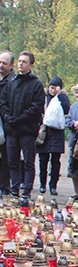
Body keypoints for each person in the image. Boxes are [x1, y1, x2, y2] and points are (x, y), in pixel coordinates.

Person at [0, 51, 45, 198]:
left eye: (24, 61)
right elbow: (3, 102)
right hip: (12, 129)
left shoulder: (36, 84)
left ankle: (26, 190)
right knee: (12, 161)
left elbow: (36, 107)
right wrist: (8, 117)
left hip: (27, 130)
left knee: (28, 162)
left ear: (31, 64)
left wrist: (18, 119)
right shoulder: (11, 83)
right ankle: (14, 189)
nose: (21, 64)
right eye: (19, 61)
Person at [37, 76, 71, 195]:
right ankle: (42, 184)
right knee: (42, 160)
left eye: (56, 88)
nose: (53, 90)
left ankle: (53, 185)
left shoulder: (62, 98)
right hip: (45, 133)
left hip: (57, 133)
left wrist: (60, 96)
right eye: (51, 87)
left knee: (55, 161)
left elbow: (68, 110)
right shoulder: (44, 98)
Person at [0, 51, 15, 195]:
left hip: (7, 123)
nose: (1, 66)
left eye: (4, 63)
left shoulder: (13, 82)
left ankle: (4, 185)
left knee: (6, 157)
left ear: (11, 65)